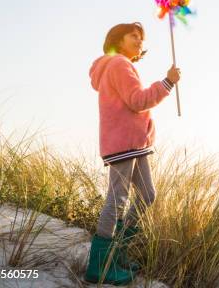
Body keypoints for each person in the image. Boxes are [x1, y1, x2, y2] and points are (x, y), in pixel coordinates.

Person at [84, 22, 181, 285]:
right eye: (133, 36)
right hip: (123, 143)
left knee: (148, 194)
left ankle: (118, 252)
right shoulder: (118, 64)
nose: (139, 41)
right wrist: (167, 82)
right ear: (119, 39)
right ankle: (99, 266)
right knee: (117, 200)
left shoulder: (119, 65)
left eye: (141, 37)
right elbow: (138, 101)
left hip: (134, 144)